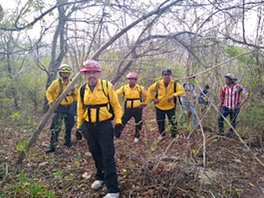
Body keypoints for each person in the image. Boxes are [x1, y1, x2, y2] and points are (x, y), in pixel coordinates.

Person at [76, 59, 122, 198]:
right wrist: (78, 127)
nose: (92, 75)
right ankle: (100, 177)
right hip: (89, 127)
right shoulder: (82, 89)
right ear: (85, 74)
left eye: (94, 72)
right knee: (95, 153)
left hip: (104, 126)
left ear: (98, 73)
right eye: (89, 73)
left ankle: (113, 189)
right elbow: (80, 109)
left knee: (108, 156)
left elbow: (116, 106)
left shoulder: (107, 86)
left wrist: (118, 122)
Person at [45, 64, 78, 154]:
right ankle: (52, 146)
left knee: (69, 125)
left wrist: (77, 105)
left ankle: (67, 142)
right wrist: (51, 102)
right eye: (64, 73)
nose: (65, 74)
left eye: (67, 73)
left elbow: (77, 95)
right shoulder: (56, 83)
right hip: (59, 107)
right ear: (61, 73)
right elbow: (49, 92)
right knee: (55, 127)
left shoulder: (72, 83)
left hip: (70, 107)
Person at [148, 69, 185, 140]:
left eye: (168, 75)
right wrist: (153, 99)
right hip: (159, 106)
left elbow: (182, 91)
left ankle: (174, 136)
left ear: (170, 75)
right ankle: (162, 135)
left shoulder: (174, 84)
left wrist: (173, 95)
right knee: (160, 121)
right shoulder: (158, 84)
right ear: (162, 76)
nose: (167, 76)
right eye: (165, 75)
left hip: (170, 107)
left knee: (173, 122)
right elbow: (150, 90)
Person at [115, 72, 150, 143]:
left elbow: (147, 96)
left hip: (137, 109)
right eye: (129, 79)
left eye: (133, 79)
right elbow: (115, 94)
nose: (131, 81)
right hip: (128, 109)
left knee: (138, 123)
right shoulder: (124, 88)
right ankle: (116, 135)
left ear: (135, 80)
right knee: (122, 121)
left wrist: (145, 103)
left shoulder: (140, 88)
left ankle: (137, 137)